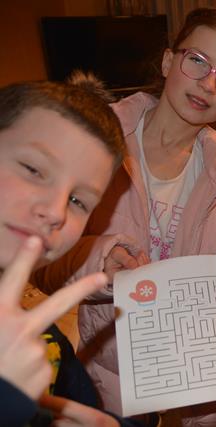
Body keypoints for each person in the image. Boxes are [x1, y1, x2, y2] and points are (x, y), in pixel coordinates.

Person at [33, 7, 216, 426]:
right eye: (198, 61)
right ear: (168, 61)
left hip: (200, 391)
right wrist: (100, 263)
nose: (208, 84)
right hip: (110, 386)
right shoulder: (96, 147)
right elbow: (42, 264)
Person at [0, 77, 140, 426]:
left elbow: (88, 413)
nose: (56, 211)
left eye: (78, 201)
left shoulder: (46, 340)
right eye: (33, 170)